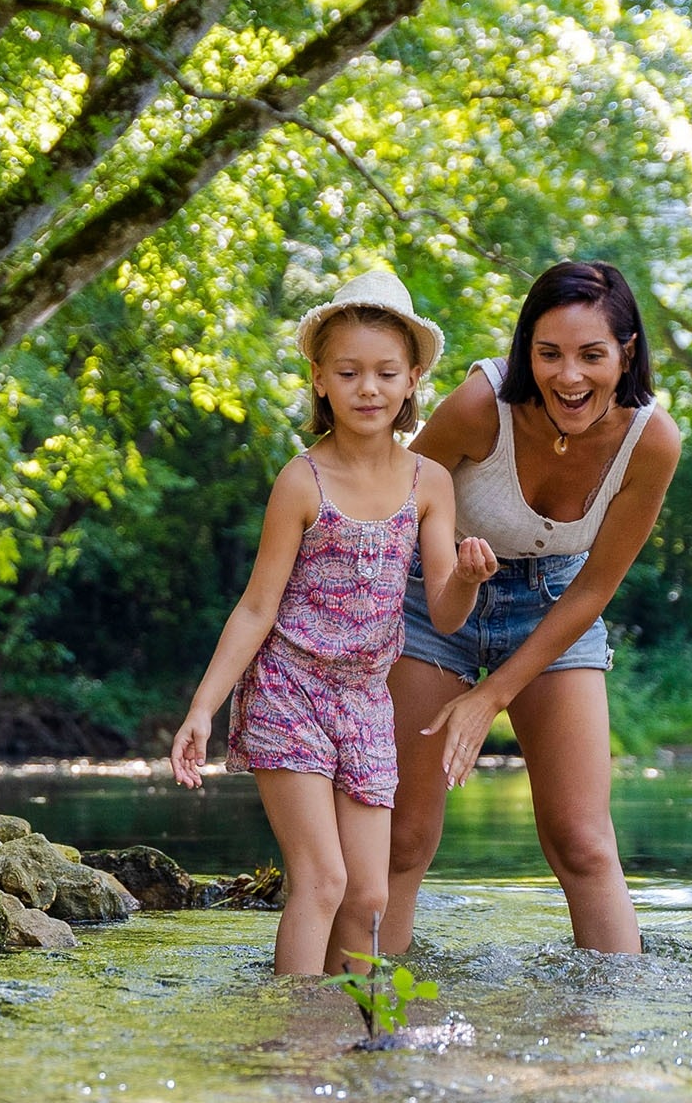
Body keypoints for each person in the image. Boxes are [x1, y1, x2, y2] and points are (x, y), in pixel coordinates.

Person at [172, 269, 499, 975]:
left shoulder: (428, 483)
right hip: (289, 689)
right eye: (349, 372)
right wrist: (204, 707)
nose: (368, 388)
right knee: (321, 882)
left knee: (370, 898)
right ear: (320, 379)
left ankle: (357, 1051)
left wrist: (469, 580)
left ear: (414, 379)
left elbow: (444, 610)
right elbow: (257, 607)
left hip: (365, 701)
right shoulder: (301, 481)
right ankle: (296, 1046)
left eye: (386, 373)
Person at [382, 260, 682, 955]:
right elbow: (394, 505)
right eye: (548, 354)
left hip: (557, 605)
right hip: (434, 603)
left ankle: (609, 1040)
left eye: (591, 356)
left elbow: (595, 588)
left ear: (627, 352)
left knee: (581, 841)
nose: (568, 377)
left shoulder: (652, 442)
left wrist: (492, 696)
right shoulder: (479, 406)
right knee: (404, 837)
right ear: (526, 352)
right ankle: (365, 1021)